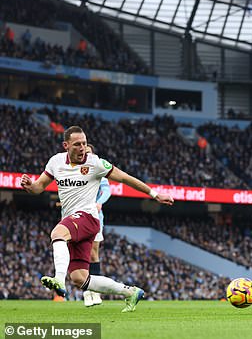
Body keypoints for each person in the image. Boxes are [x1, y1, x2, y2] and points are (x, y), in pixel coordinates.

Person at [20, 126, 174, 312]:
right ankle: (130, 292)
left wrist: (155, 194)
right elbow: (38, 187)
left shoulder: (96, 163)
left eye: (84, 143)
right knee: (80, 278)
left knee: (57, 233)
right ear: (66, 145)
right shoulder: (56, 162)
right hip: (72, 221)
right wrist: (29, 186)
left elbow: (125, 178)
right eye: (77, 144)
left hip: (88, 218)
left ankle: (58, 280)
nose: (82, 148)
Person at [82, 144, 110, 307]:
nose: (87, 155)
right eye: (85, 153)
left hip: (96, 218)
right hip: (78, 218)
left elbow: (107, 191)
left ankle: (96, 291)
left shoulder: (99, 173)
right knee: (82, 254)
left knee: (93, 253)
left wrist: (99, 203)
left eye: (90, 153)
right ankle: (87, 292)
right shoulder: (74, 173)